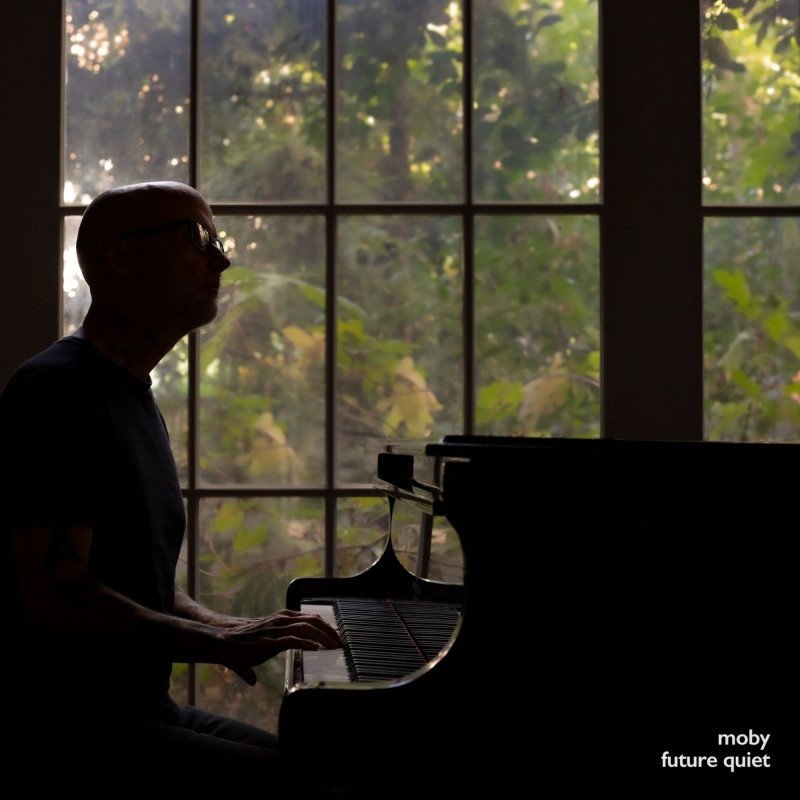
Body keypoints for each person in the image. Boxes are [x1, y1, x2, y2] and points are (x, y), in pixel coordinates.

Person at [0, 182, 342, 790]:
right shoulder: (57, 391)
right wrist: (217, 642)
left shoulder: (127, 390)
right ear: (118, 257)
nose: (222, 259)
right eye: (197, 237)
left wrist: (225, 628)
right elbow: (56, 596)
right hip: (73, 729)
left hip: (142, 711)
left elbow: (129, 575)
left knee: (329, 769)